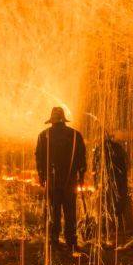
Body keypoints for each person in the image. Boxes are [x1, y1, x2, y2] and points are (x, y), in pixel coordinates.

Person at [35, 107, 86, 255]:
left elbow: (39, 158)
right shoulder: (75, 135)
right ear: (63, 119)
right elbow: (81, 157)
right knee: (70, 212)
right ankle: (71, 241)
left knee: (54, 211)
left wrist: (42, 176)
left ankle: (54, 241)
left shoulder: (44, 136)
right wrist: (81, 175)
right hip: (70, 181)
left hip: (53, 180)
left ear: (52, 120)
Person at [93, 132, 133, 234]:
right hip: (120, 181)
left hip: (107, 182)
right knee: (120, 202)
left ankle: (108, 227)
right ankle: (121, 226)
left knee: (107, 203)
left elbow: (94, 169)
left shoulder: (99, 149)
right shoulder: (118, 147)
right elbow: (126, 165)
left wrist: (96, 183)